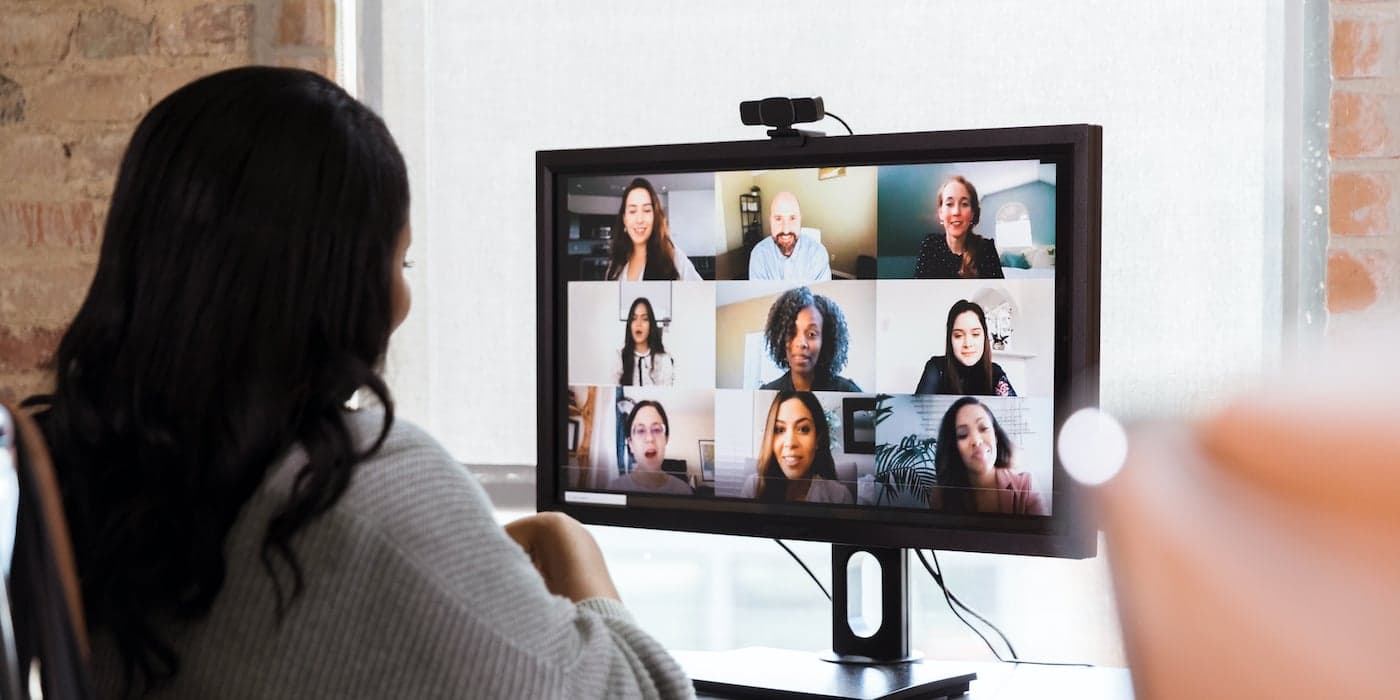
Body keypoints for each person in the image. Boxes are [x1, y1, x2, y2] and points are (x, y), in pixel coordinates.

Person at [23, 67, 690, 698]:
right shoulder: (358, 485)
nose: (403, 299)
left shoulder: (84, 476)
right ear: (343, 283)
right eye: (402, 261)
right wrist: (568, 543)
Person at [928, 397, 1046, 515]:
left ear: (996, 436)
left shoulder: (1026, 486)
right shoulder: (941, 494)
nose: (976, 440)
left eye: (983, 428)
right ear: (953, 447)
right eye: (963, 434)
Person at [739, 391, 852, 504]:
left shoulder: (840, 496)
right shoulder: (754, 487)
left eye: (803, 429)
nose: (790, 443)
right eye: (780, 430)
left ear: (818, 438)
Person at [759, 286, 861, 392]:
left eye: (811, 334)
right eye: (791, 333)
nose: (801, 343)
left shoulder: (848, 392)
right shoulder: (767, 393)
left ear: (825, 341)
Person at [605, 177, 702, 281]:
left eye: (646, 210)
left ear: (655, 217)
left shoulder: (673, 257)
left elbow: (701, 290)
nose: (639, 219)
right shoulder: (616, 263)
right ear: (624, 219)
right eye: (632, 211)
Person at [914, 300, 1017, 396]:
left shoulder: (995, 372)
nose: (967, 344)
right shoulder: (936, 368)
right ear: (950, 339)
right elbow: (918, 408)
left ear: (984, 337)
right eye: (958, 335)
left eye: (975, 334)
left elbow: (1015, 408)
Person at [913, 176, 1005, 279]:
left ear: (972, 213)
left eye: (964, 204)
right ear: (941, 213)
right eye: (949, 204)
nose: (956, 212)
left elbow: (997, 289)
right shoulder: (930, 244)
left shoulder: (986, 249)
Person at [610, 400, 693, 495]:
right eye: (641, 431)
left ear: (666, 439)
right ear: (631, 444)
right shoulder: (614, 490)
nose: (649, 438)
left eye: (656, 430)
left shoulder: (684, 491)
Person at [747, 191, 832, 281]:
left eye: (792, 218)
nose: (786, 230)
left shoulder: (818, 254)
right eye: (778, 219)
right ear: (770, 221)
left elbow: (822, 289)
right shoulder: (759, 255)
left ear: (800, 219)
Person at [614, 297, 675, 386]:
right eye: (634, 318)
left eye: (645, 319)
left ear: (651, 325)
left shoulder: (663, 359)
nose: (638, 324)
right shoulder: (619, 357)